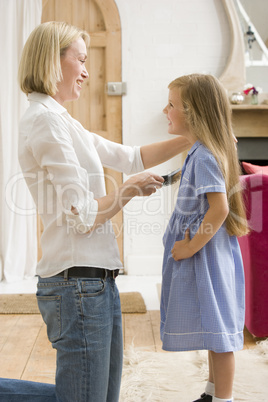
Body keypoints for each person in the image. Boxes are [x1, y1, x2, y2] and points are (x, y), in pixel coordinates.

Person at [0, 22, 190, 402]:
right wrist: (130, 189)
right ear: (53, 61)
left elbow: (130, 156)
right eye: (81, 60)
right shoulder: (44, 122)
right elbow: (83, 215)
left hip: (95, 281)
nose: (87, 72)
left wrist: (194, 137)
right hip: (76, 285)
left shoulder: (62, 120)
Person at [160, 74, 248, 402]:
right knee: (213, 327)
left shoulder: (207, 156)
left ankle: (223, 400)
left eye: (171, 105)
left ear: (194, 113)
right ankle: (212, 393)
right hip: (207, 256)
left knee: (220, 334)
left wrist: (188, 247)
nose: (164, 110)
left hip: (206, 257)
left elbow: (219, 209)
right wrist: (169, 179)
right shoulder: (202, 151)